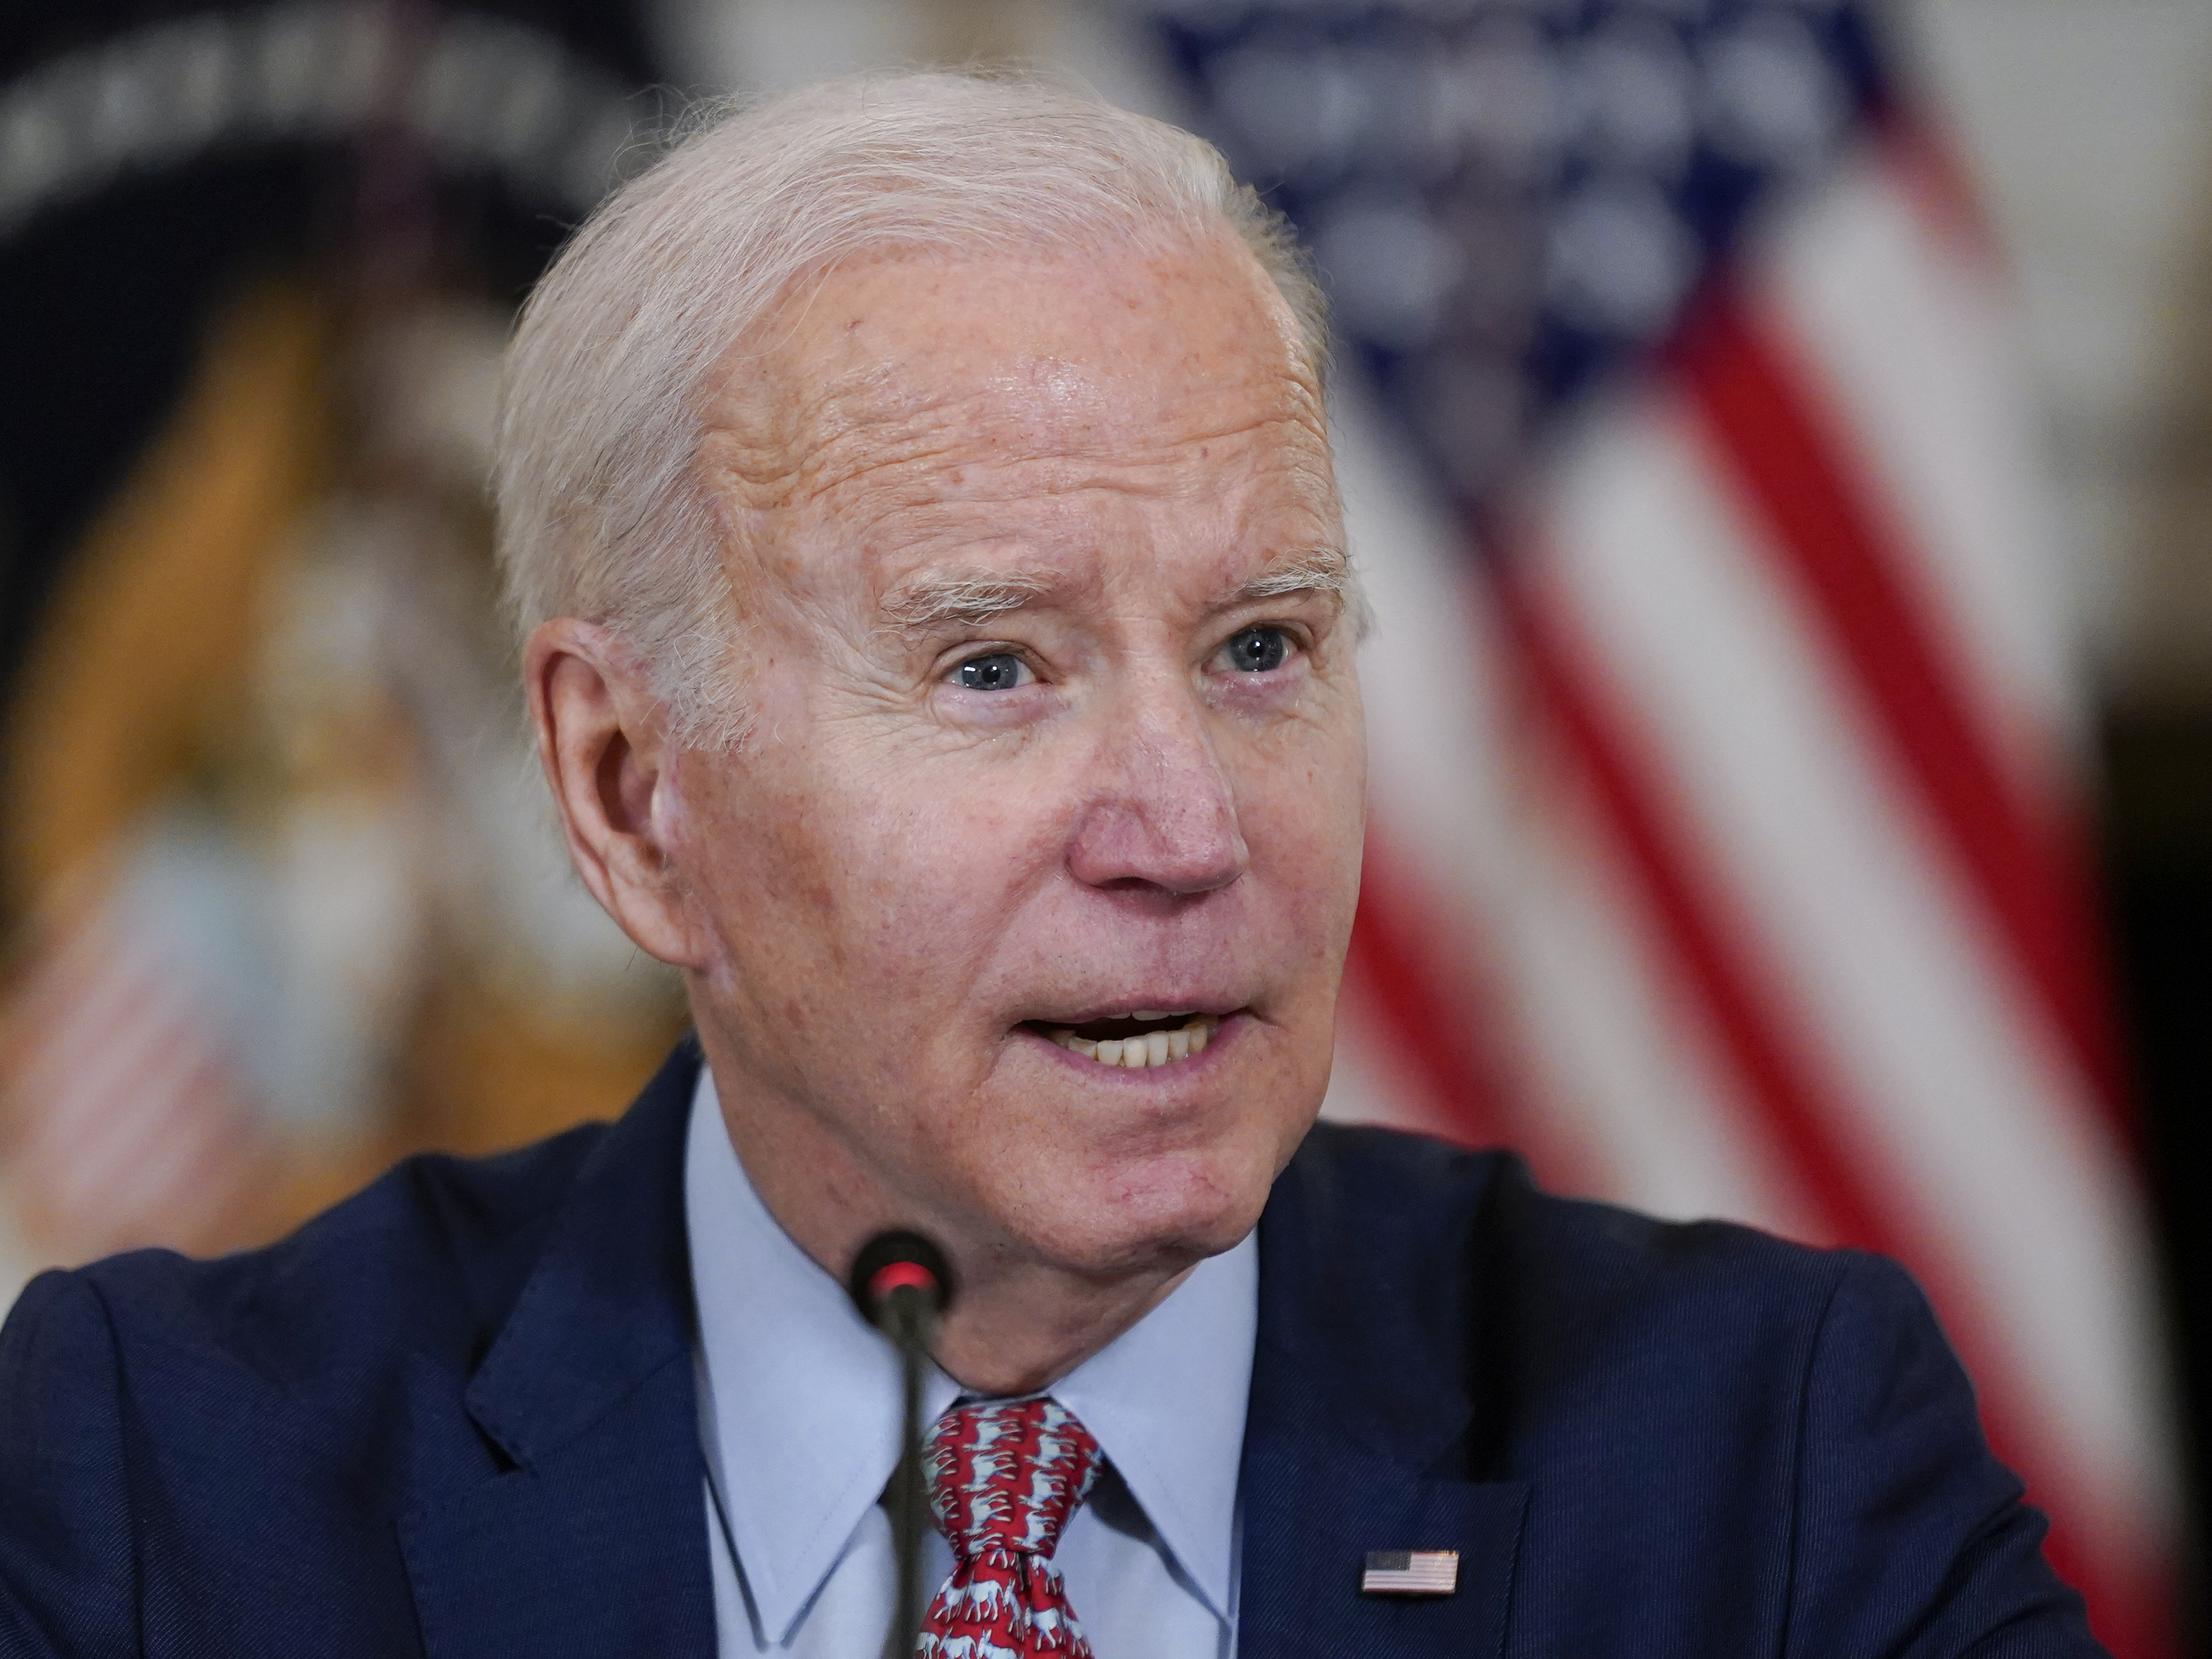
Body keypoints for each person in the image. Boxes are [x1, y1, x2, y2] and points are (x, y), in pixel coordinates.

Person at [0, 70, 2104, 1659]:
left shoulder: (1763, 1473)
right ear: (635, 789)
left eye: (1263, 646)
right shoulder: (166, 1485)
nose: (1192, 834)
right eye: (995, 666)